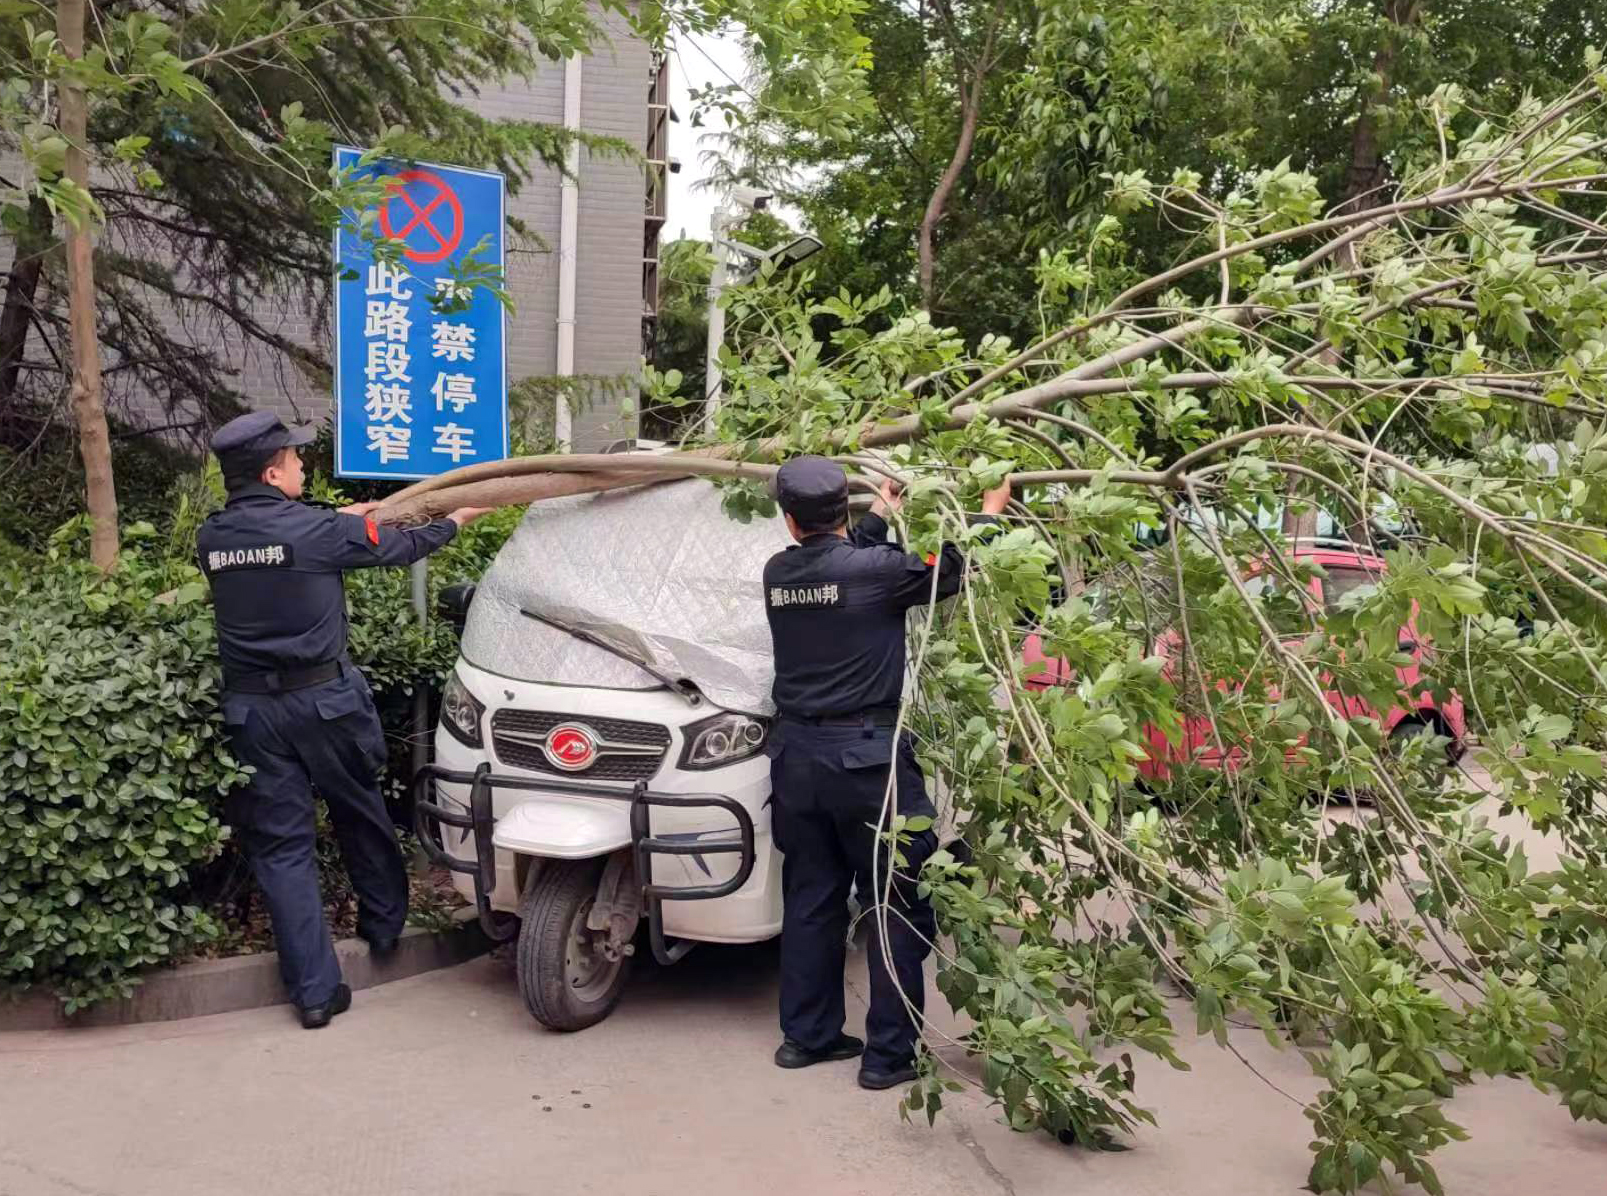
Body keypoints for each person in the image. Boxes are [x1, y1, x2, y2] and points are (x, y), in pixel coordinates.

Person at [198, 411, 491, 1028]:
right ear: (274, 471)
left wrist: (345, 521)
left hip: (252, 712)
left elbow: (288, 545)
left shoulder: (215, 538)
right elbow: (404, 544)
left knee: (282, 849)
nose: (304, 465)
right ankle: (384, 931)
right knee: (359, 810)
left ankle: (314, 994)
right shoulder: (315, 533)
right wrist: (456, 520)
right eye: (297, 459)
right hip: (323, 704)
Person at [762, 455, 1010, 1089]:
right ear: (842, 510)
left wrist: (878, 515)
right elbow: (947, 571)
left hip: (797, 763)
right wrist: (987, 513)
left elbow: (843, 571)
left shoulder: (779, 572)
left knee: (813, 897)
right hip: (867, 763)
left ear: (790, 522)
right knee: (896, 902)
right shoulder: (878, 572)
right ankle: (887, 1057)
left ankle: (807, 1038)